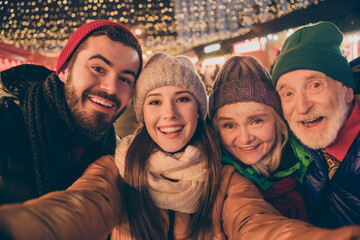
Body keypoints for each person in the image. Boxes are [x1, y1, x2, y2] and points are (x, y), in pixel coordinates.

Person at [1, 52, 360, 240]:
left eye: (183, 99)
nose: (169, 114)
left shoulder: (226, 178)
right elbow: (81, 207)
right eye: (155, 101)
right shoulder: (117, 169)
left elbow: (257, 224)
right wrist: (18, 228)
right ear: (142, 112)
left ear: (199, 110)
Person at [0, 19, 143, 204]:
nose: (111, 88)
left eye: (124, 79)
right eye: (98, 68)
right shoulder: (6, 126)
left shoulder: (118, 151)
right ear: (65, 70)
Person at [271, 21, 360, 228]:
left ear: (346, 90)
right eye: (288, 93)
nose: (302, 108)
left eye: (315, 85)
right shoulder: (289, 144)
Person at [208, 55, 310, 221]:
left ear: (277, 120)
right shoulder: (216, 182)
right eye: (229, 125)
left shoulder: (311, 159)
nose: (245, 138)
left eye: (256, 121)